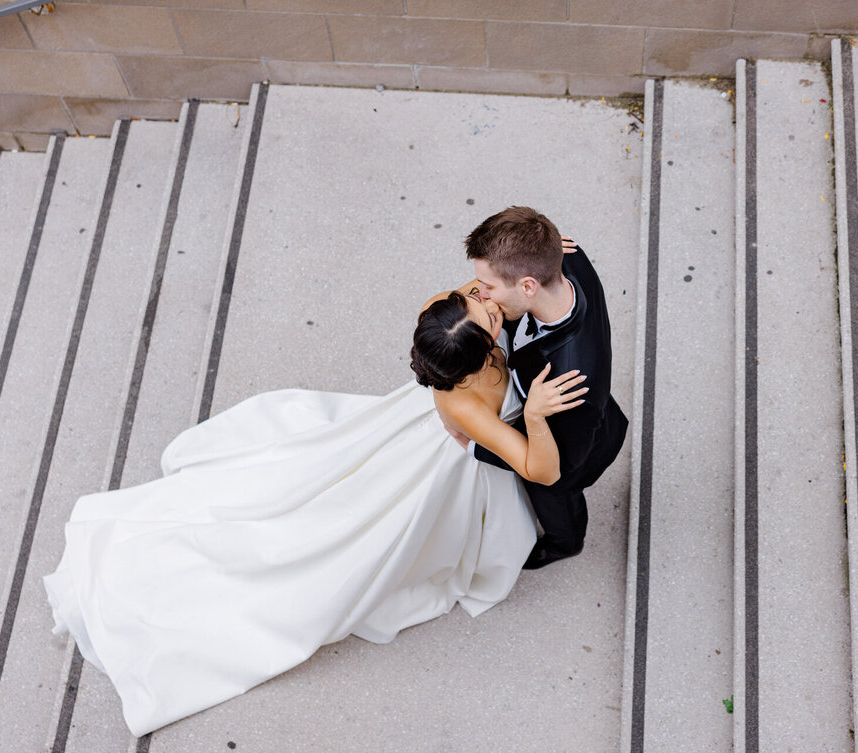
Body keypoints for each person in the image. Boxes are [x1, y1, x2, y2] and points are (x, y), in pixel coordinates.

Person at [43, 280, 585, 736]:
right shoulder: (466, 403)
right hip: (438, 462)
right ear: (468, 364)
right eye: (485, 306)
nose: (492, 300)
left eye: (484, 297)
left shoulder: (447, 311)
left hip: (409, 428)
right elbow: (540, 471)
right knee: (349, 539)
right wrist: (533, 416)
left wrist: (533, 266)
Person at [458, 206, 628, 569]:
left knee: (552, 493)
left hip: (573, 445)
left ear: (528, 286)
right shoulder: (565, 257)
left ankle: (566, 542)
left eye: (488, 287)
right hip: (579, 408)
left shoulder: (570, 384)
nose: (481, 294)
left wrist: (478, 448)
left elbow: (556, 466)